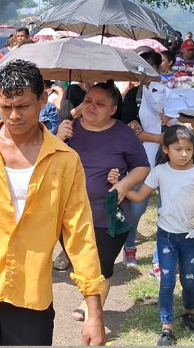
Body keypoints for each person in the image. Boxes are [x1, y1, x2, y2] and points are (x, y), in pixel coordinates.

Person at [0, 59, 106, 346]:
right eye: (6, 107)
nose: (14, 116)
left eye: (23, 106)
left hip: (31, 299)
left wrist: (94, 313)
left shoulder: (64, 161)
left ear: (41, 101)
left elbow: (79, 236)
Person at [56, 81, 150, 322]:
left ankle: (94, 311)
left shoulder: (124, 134)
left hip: (107, 214)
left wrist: (123, 185)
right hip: (69, 213)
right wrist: (57, 139)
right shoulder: (69, 129)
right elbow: (46, 164)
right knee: (81, 264)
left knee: (101, 265)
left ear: (113, 109)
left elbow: (142, 167)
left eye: (100, 104)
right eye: (88, 101)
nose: (91, 107)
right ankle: (89, 298)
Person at [121, 125, 194, 346]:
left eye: (189, 149)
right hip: (166, 238)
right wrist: (119, 187)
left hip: (190, 238)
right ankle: (167, 328)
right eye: (178, 149)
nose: (184, 154)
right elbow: (140, 195)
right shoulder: (160, 172)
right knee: (167, 281)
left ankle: (189, 313)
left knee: (190, 280)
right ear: (165, 148)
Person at [120, 51, 164, 272]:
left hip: (170, 161)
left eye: (146, 68)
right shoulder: (133, 95)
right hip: (142, 162)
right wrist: (133, 125)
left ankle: (160, 259)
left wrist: (153, 136)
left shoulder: (171, 93)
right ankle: (129, 246)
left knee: (166, 211)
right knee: (137, 207)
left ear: (158, 68)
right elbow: (125, 121)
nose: (142, 73)